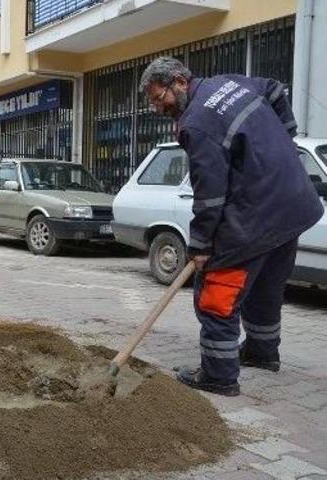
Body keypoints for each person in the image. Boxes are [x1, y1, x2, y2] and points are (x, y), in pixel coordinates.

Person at [139, 57, 324, 396]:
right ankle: (262, 352)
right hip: (294, 207)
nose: (156, 107)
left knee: (216, 295)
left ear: (179, 81)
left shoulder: (196, 123)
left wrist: (200, 246)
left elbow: (209, 196)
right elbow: (275, 89)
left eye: (158, 96)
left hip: (256, 217)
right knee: (266, 286)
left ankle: (219, 375)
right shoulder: (232, 83)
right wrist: (284, 139)